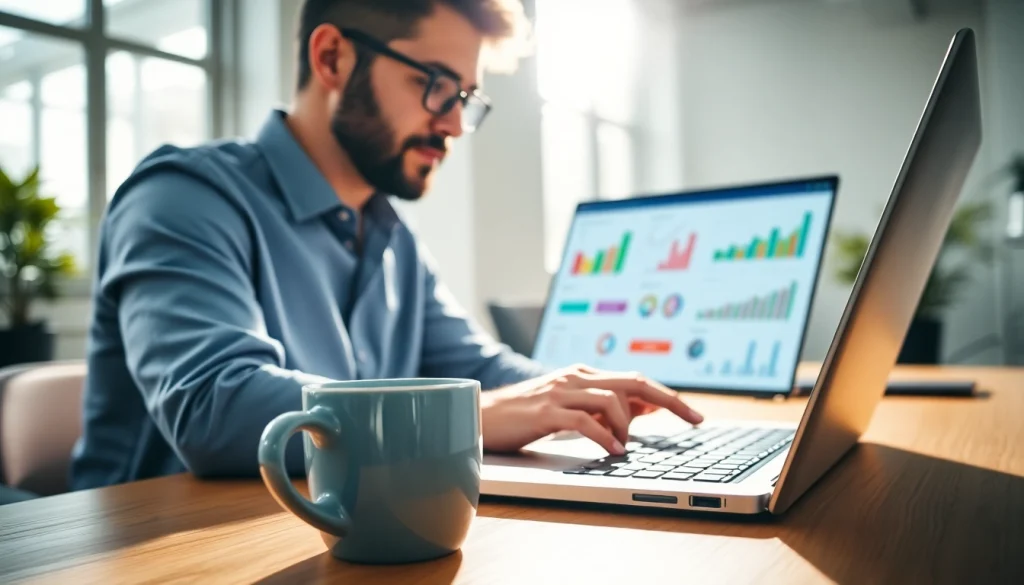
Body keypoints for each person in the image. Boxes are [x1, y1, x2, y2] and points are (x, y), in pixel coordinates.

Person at [70, 0, 703, 490]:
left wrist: (587, 395)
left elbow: (481, 371)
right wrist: (469, 417)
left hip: (329, 528)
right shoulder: (182, 198)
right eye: (435, 83)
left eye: (465, 98)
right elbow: (215, 409)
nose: (455, 123)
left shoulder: (390, 236)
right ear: (333, 59)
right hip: (156, 553)